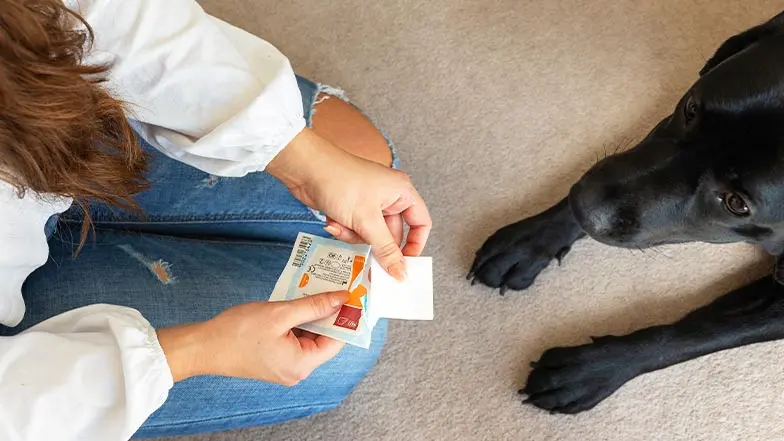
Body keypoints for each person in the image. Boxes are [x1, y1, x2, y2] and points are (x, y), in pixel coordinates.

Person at [0, 0, 432, 439]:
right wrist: (193, 352)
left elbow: (105, 14)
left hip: (35, 130)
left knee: (360, 156)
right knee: (342, 349)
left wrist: (305, 159)